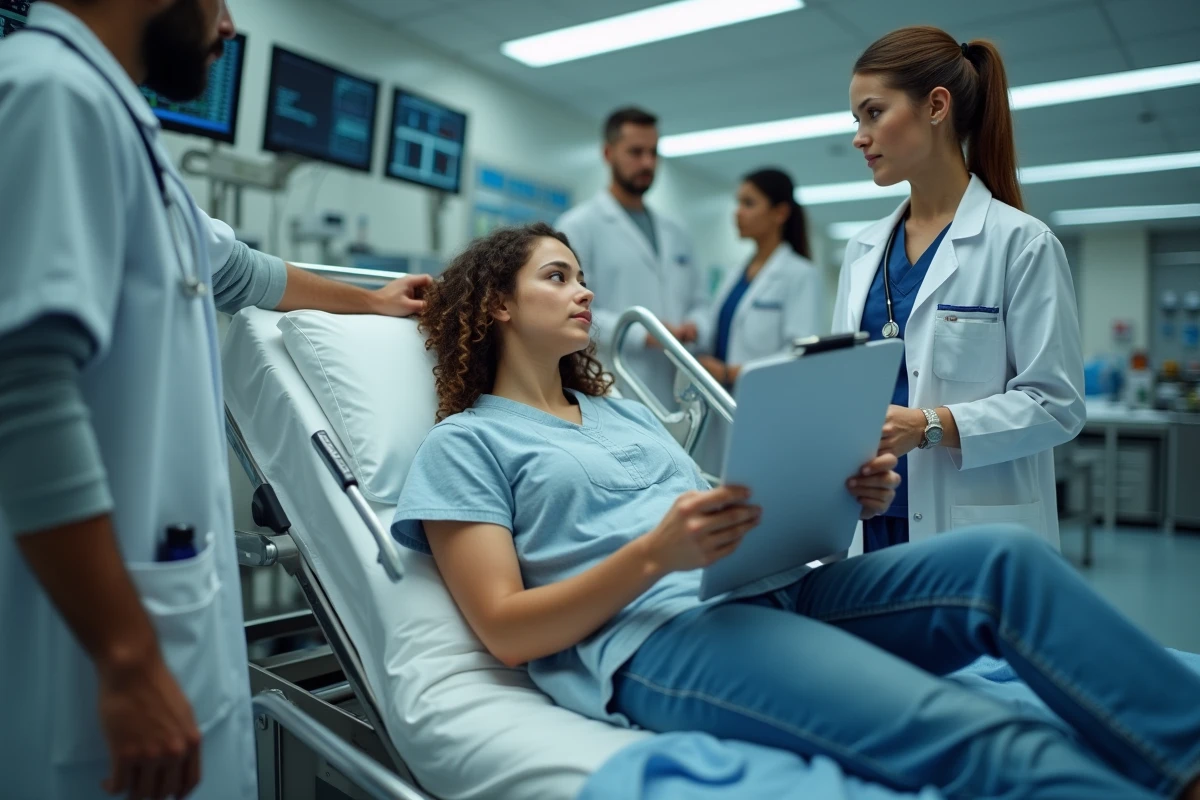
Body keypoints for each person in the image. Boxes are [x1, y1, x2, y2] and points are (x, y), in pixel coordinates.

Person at [391, 221, 1200, 800]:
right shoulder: (464, 445)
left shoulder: (624, 413)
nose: (586, 291)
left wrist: (842, 496)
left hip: (769, 584)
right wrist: (651, 558)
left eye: (582, 275)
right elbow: (505, 627)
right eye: (557, 276)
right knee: (972, 729)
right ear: (495, 305)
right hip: (662, 639)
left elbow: (726, 514)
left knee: (1005, 562)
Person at [0, 2, 429, 798]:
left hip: (161, 605)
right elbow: (23, 391)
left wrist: (374, 304)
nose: (230, 25)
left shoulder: (118, 127)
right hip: (98, 645)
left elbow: (242, 272)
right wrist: (126, 656)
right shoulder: (50, 95)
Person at [831, 26, 1086, 555]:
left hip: (970, 527)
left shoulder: (1021, 243)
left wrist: (930, 425)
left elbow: (1056, 404)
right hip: (868, 521)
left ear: (936, 106)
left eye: (873, 113)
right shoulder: (861, 251)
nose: (859, 136)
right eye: (856, 120)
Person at [556, 106, 709, 408]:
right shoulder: (577, 227)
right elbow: (569, 308)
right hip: (614, 380)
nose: (647, 163)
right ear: (608, 153)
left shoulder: (676, 231)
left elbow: (701, 301)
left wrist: (695, 325)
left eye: (653, 153)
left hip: (676, 383)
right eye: (636, 152)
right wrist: (645, 334)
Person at [693, 168, 824, 476]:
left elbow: (801, 356)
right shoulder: (733, 273)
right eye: (738, 202)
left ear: (780, 212)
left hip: (764, 409)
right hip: (719, 404)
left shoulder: (799, 274)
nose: (737, 213)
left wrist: (730, 372)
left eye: (749, 203)